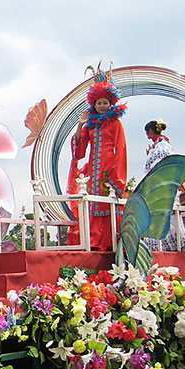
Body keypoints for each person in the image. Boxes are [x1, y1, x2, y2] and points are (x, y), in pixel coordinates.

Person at [69, 72, 128, 250]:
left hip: (110, 167)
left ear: (111, 104)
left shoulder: (115, 123)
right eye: (99, 103)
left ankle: (111, 241)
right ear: (93, 104)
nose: (102, 106)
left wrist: (116, 175)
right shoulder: (91, 125)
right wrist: (80, 124)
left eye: (105, 103)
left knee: (107, 202)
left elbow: (121, 148)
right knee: (93, 202)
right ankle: (94, 241)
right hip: (93, 170)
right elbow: (80, 149)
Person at [142, 120, 185, 252]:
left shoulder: (162, 146)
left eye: (147, 132)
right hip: (159, 184)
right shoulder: (160, 145)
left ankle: (171, 246)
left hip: (162, 184)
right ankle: (165, 245)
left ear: (150, 131)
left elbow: (158, 165)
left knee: (167, 215)